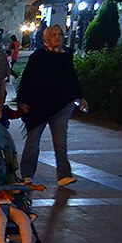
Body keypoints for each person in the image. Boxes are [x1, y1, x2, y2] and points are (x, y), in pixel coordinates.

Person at [15, 24, 88, 187]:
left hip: (61, 106)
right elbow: (27, 80)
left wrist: (80, 97)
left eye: (60, 34)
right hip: (38, 107)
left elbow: (72, 78)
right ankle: (27, 174)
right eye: (54, 34)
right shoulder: (38, 57)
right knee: (33, 142)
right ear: (46, 38)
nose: (57, 37)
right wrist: (22, 102)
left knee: (60, 141)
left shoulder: (66, 55)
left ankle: (64, 174)